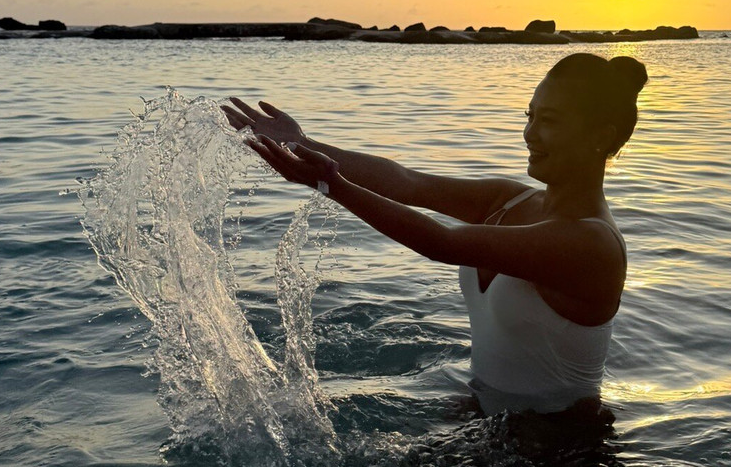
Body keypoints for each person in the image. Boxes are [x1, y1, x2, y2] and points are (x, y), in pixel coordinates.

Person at [221, 52, 647, 415]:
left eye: (548, 120)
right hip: (481, 417)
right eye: (529, 116)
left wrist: (332, 185)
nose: (529, 133)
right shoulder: (510, 200)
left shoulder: (591, 244)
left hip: (559, 453)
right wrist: (303, 144)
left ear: (599, 137)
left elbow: (440, 243)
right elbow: (409, 182)